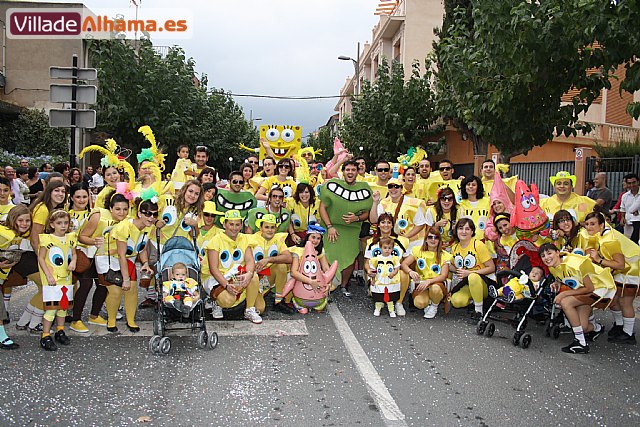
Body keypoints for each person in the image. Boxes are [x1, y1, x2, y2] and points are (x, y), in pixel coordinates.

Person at [539, 243, 616, 354]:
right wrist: (556, 283)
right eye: (543, 256)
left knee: (566, 302)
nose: (546, 257)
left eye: (549, 253)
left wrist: (564, 294)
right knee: (583, 327)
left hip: (602, 289)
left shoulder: (573, 264)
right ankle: (597, 328)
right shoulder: (552, 267)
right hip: (583, 290)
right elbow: (562, 277)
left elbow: (590, 287)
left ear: (557, 252)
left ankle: (580, 343)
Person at [14, 181, 67, 332]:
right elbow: (35, 239)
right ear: (49, 192)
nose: (60, 194)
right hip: (28, 253)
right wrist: (43, 261)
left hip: (31, 253)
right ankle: (34, 323)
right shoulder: (43, 209)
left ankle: (24, 322)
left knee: (43, 288)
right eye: (56, 191)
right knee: (48, 287)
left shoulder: (48, 208)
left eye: (63, 192)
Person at [579, 212, 638, 344]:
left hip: (632, 271)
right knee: (614, 300)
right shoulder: (600, 235)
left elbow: (620, 264)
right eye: (587, 224)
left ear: (601, 225)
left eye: (592, 224)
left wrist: (599, 260)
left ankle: (628, 334)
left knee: (625, 302)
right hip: (622, 271)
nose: (589, 227)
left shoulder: (609, 240)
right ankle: (619, 326)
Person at [319, 159, 373, 298]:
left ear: (357, 172)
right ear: (343, 172)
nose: (350, 172)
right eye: (347, 170)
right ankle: (328, 284)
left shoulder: (364, 188)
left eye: (353, 170)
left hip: (351, 231)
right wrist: (330, 226)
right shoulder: (333, 185)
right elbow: (322, 207)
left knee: (350, 258)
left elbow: (367, 212)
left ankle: (344, 285)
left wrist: (357, 218)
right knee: (329, 255)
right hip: (332, 229)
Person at [77, 190, 130, 328]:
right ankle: (75, 320)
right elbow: (82, 236)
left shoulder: (126, 221)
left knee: (103, 286)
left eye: (125, 209)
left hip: (106, 258)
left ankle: (94, 315)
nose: (121, 212)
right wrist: (94, 241)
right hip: (88, 256)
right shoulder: (98, 216)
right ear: (110, 208)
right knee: (86, 286)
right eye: (117, 209)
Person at [101, 197, 155, 332]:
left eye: (154, 214)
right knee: (116, 291)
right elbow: (121, 254)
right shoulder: (125, 226)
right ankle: (111, 320)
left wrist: (146, 263)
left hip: (127, 259)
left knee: (132, 290)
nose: (151, 217)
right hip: (109, 258)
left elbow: (142, 246)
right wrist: (125, 278)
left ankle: (131, 320)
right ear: (139, 213)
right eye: (148, 213)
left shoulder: (149, 227)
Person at [205, 210, 264, 324]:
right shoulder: (215, 240)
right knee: (227, 301)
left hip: (237, 277)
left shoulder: (245, 238)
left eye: (237, 224)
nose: (234, 228)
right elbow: (214, 269)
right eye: (231, 224)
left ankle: (249, 309)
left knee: (260, 307)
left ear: (241, 225)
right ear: (224, 224)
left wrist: (249, 274)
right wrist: (226, 285)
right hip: (220, 279)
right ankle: (216, 301)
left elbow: (250, 261)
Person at [37, 209, 76, 351]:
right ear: (52, 224)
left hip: (66, 278)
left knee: (63, 307)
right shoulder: (47, 239)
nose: (63, 226)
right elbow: (41, 258)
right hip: (53, 279)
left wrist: (73, 262)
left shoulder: (71, 238)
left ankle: (60, 330)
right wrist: (48, 275)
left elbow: (73, 253)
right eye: (59, 223)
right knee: (51, 309)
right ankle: (45, 335)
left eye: (66, 222)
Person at [449, 218, 496, 322]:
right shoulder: (454, 247)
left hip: (484, 283)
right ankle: (475, 300)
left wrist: (470, 273)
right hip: (467, 284)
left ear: (472, 232)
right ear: (456, 231)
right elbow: (453, 266)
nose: (464, 231)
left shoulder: (478, 245)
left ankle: (479, 311)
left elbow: (492, 268)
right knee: (456, 302)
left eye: (467, 229)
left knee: (473, 277)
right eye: (461, 228)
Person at [363, 213, 410, 314]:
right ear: (378, 225)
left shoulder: (402, 241)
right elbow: (366, 262)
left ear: (393, 225)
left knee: (404, 275)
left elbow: (406, 261)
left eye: (389, 222)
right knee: (377, 296)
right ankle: (379, 297)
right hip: (378, 275)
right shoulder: (371, 242)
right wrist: (368, 270)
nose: (386, 225)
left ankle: (399, 303)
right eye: (383, 222)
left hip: (393, 274)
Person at [247, 213, 293, 313]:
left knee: (281, 265)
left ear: (276, 228)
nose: (270, 230)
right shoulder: (251, 239)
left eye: (272, 227)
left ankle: (278, 301)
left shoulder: (278, 239)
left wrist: (268, 259)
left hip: (267, 277)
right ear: (260, 228)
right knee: (260, 309)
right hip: (253, 278)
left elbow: (289, 258)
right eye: (266, 227)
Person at [402, 226, 451, 319]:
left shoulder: (445, 255)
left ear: (439, 240)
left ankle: (434, 305)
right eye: (430, 237)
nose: (433, 240)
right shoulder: (418, 250)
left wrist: (429, 281)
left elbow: (444, 275)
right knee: (419, 304)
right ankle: (429, 302)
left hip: (437, 283)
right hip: (421, 284)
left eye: (436, 237)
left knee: (435, 289)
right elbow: (404, 264)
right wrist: (410, 271)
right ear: (425, 239)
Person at [370, 176, 427, 250]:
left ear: (402, 189)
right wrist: (375, 202)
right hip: (393, 244)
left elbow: (420, 224)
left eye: (396, 186)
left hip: (413, 244)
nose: (393, 189)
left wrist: (404, 238)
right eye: (390, 186)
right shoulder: (384, 203)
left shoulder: (413, 203)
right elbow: (374, 220)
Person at [287, 224, 334, 313]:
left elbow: (326, 268)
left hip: (311, 277)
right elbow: (293, 272)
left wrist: (328, 283)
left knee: (331, 286)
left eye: (318, 238)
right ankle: (295, 299)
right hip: (294, 277)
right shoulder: (298, 250)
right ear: (308, 237)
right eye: (313, 237)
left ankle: (316, 300)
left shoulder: (320, 251)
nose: (315, 241)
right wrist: (311, 282)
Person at [369, 237, 401, 317]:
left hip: (391, 281)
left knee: (390, 296)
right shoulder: (376, 259)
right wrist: (372, 279)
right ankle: (377, 308)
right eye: (385, 248)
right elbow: (373, 270)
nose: (387, 250)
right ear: (380, 248)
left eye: (389, 248)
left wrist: (393, 273)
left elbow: (397, 268)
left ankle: (391, 310)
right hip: (379, 280)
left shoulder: (394, 258)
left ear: (392, 248)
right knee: (379, 296)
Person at [458, 175, 491, 241]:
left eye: (473, 185)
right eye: (468, 184)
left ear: (478, 187)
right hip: (467, 242)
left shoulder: (488, 202)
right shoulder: (460, 205)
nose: (471, 187)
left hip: (486, 241)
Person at [619, 173, 640, 243]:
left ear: (638, 182)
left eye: (634, 182)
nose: (632, 185)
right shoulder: (625, 196)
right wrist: (622, 218)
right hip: (628, 224)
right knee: (628, 244)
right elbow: (623, 209)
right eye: (629, 183)